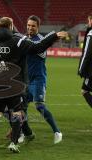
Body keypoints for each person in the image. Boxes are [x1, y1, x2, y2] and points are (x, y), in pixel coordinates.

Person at [0, 17, 68, 152]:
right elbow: (38, 47)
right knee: (17, 113)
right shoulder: (18, 41)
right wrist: (54, 36)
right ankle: (14, 143)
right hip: (14, 84)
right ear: (10, 27)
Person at [24, 15, 62, 144]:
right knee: (20, 108)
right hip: (26, 80)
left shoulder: (41, 41)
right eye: (28, 25)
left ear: (38, 27)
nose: (30, 28)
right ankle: (24, 133)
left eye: (33, 26)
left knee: (39, 106)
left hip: (38, 79)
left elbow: (36, 49)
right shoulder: (24, 39)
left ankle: (57, 131)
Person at [78, 15, 92, 108]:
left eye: (89, 20)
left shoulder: (91, 33)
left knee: (84, 91)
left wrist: (81, 69)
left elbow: (87, 54)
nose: (88, 23)